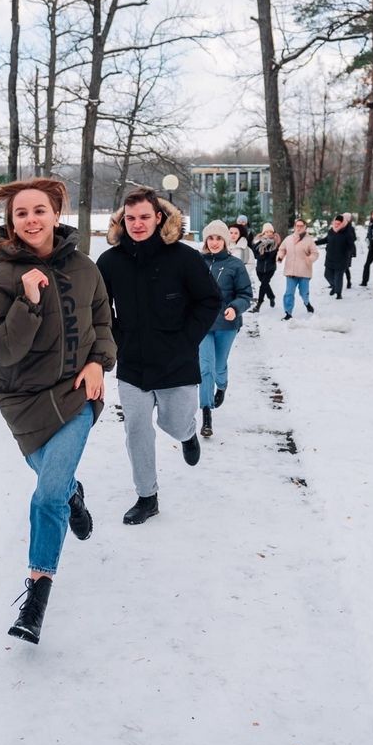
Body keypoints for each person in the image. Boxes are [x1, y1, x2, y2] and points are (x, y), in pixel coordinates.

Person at [0, 178, 117, 645]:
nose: (31, 219)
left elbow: (103, 323)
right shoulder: (1, 275)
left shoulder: (85, 268)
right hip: (21, 398)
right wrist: (28, 301)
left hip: (77, 392)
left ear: (56, 215)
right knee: (56, 483)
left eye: (40, 210)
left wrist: (99, 361)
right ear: (11, 222)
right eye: (21, 213)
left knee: (46, 494)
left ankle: (37, 596)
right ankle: (74, 492)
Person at [96, 186, 222, 526]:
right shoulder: (109, 261)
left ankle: (187, 434)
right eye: (131, 218)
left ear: (159, 218)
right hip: (132, 364)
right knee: (137, 429)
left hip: (177, 361)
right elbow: (98, 308)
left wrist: (186, 340)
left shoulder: (184, 257)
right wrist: (117, 339)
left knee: (173, 421)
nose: (137, 224)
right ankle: (147, 496)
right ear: (123, 220)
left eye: (144, 217)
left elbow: (209, 300)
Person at [197, 221, 253, 438]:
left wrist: (235, 308)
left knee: (219, 366)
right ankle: (206, 413)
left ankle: (222, 385)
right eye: (210, 238)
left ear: (225, 241)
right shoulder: (197, 263)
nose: (214, 242)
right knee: (205, 368)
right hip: (202, 324)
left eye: (218, 238)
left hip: (226, 324)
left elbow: (246, 295)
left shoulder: (235, 265)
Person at [276, 218, 319, 320]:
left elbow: (315, 253)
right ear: (294, 227)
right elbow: (282, 249)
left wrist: (309, 259)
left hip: (304, 271)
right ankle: (288, 313)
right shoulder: (288, 239)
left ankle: (307, 303)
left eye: (301, 226)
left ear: (305, 227)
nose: (299, 228)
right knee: (289, 293)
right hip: (290, 271)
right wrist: (280, 256)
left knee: (303, 292)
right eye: (297, 226)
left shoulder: (309, 240)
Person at [316, 213, 357, 300]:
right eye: (335, 223)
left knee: (338, 277)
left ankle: (338, 293)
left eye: (338, 224)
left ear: (342, 223)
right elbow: (326, 239)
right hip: (330, 257)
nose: (336, 225)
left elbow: (351, 245)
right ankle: (334, 286)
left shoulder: (347, 232)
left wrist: (349, 253)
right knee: (327, 275)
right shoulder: (331, 230)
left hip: (341, 258)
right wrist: (315, 242)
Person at [251, 222, 280, 312]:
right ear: (263, 233)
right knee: (265, 285)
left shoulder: (275, 244)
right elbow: (254, 253)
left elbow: (272, 256)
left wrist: (264, 254)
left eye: (270, 232)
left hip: (270, 269)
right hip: (259, 269)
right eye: (266, 232)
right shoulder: (259, 243)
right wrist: (260, 256)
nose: (268, 234)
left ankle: (258, 305)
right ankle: (271, 296)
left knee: (263, 285)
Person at [359, 209, 373, 287]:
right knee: (367, 264)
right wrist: (368, 240)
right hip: (372, 247)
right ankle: (364, 281)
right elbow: (369, 234)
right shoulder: (370, 224)